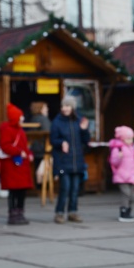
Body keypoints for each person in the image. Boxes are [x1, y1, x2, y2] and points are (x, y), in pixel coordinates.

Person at [50, 96, 90, 224]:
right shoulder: (57, 122)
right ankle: (59, 213)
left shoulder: (79, 121)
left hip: (77, 160)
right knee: (65, 188)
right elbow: (53, 140)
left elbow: (86, 140)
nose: (65, 108)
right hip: (63, 160)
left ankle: (73, 212)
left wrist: (84, 130)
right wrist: (61, 142)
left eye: (67, 106)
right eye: (63, 106)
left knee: (75, 189)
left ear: (73, 107)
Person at [0, 103, 34, 225]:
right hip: (12, 165)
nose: (22, 118)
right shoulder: (8, 130)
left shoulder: (19, 130)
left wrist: (29, 153)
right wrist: (20, 152)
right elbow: (5, 146)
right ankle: (14, 214)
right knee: (14, 191)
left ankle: (19, 213)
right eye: (20, 116)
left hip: (19, 165)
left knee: (21, 191)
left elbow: (23, 146)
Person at [108, 126, 134, 222]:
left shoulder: (131, 148)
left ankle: (129, 211)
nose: (130, 140)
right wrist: (118, 157)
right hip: (121, 175)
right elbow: (113, 162)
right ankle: (123, 212)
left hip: (131, 174)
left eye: (132, 138)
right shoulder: (118, 149)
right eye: (128, 138)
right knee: (126, 194)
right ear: (122, 138)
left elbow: (132, 162)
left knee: (132, 195)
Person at [29, 101, 51, 188]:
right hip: (43, 147)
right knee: (44, 169)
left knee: (37, 167)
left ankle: (38, 186)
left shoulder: (33, 119)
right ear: (40, 109)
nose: (47, 109)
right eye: (45, 108)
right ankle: (44, 187)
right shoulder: (43, 119)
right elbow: (48, 132)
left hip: (35, 148)